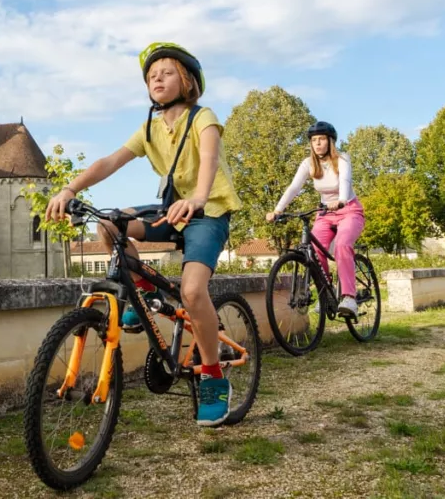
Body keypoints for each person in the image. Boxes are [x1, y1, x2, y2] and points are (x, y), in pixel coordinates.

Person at [45, 42, 242, 427]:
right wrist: (70, 189)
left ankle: (213, 378)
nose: (157, 78)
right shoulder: (150, 128)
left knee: (192, 291)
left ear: (186, 82)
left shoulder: (204, 118)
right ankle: (147, 291)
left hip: (208, 212)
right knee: (108, 224)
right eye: (152, 75)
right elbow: (110, 161)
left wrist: (199, 198)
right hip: (172, 210)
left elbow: (210, 160)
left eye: (167, 72)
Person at [265, 121, 365, 317]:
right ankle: (325, 295)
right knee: (315, 250)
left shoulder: (343, 159)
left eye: (321, 139)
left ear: (330, 141)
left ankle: (349, 298)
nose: (317, 143)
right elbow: (294, 187)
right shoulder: (309, 163)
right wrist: (277, 210)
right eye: (314, 140)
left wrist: (342, 200)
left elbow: (345, 181)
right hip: (325, 213)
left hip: (349, 210)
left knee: (342, 245)